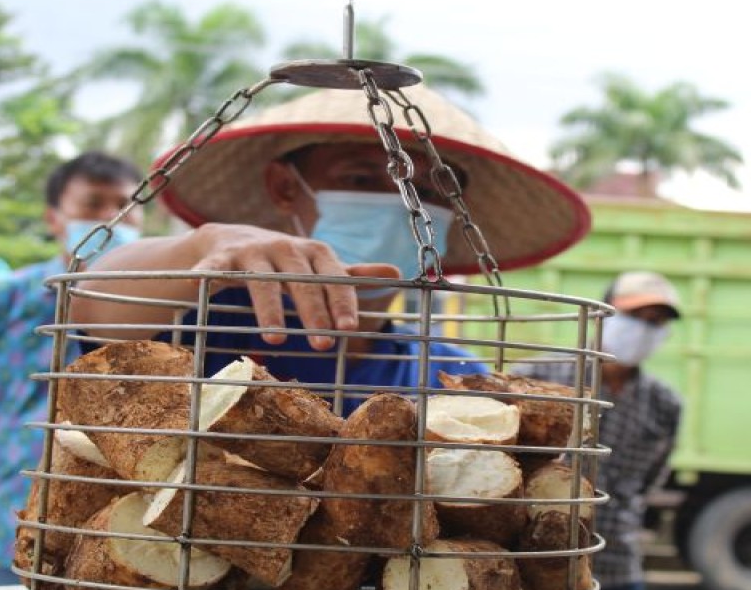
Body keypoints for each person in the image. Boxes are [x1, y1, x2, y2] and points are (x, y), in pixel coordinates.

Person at [72, 83, 591, 411]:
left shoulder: (453, 377)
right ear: (285, 188)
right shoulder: (206, 326)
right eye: (363, 178)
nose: (401, 207)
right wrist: (205, 244)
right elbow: (94, 299)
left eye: (428, 192)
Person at [0, 151, 144, 587]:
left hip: (131, 552)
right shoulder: (3, 301)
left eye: (128, 205)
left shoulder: (169, 309)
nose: (114, 218)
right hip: (10, 535)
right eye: (93, 204)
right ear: (55, 218)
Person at [511, 270, 684, 590]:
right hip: (535, 561)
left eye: (657, 322)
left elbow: (650, 480)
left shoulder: (664, 403)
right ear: (604, 316)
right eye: (636, 317)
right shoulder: (537, 378)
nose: (646, 329)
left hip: (617, 563)